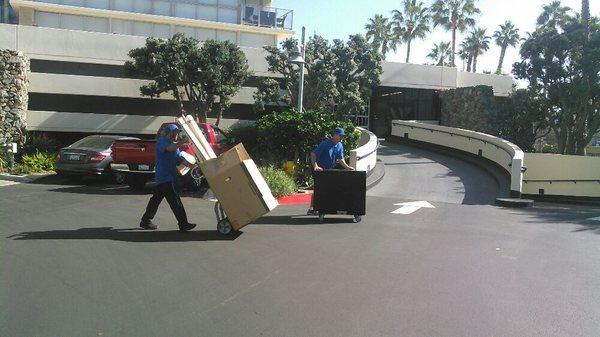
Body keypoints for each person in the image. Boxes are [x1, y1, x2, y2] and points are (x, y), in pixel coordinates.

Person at [140, 124, 197, 232]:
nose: (176, 135)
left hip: (168, 177)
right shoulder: (162, 142)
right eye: (174, 133)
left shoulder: (174, 145)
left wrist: (193, 166)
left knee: (155, 200)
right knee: (175, 201)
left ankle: (145, 220)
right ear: (168, 133)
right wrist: (181, 142)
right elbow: (168, 149)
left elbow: (180, 158)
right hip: (165, 177)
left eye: (177, 133)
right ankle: (183, 224)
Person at [307, 127, 354, 214]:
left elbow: (340, 159)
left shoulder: (340, 145)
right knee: (319, 188)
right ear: (335, 135)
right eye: (340, 135)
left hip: (329, 170)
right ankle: (311, 208)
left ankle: (324, 207)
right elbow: (313, 154)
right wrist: (315, 166)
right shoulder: (325, 144)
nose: (342, 137)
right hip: (319, 169)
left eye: (343, 136)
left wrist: (347, 167)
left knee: (328, 188)